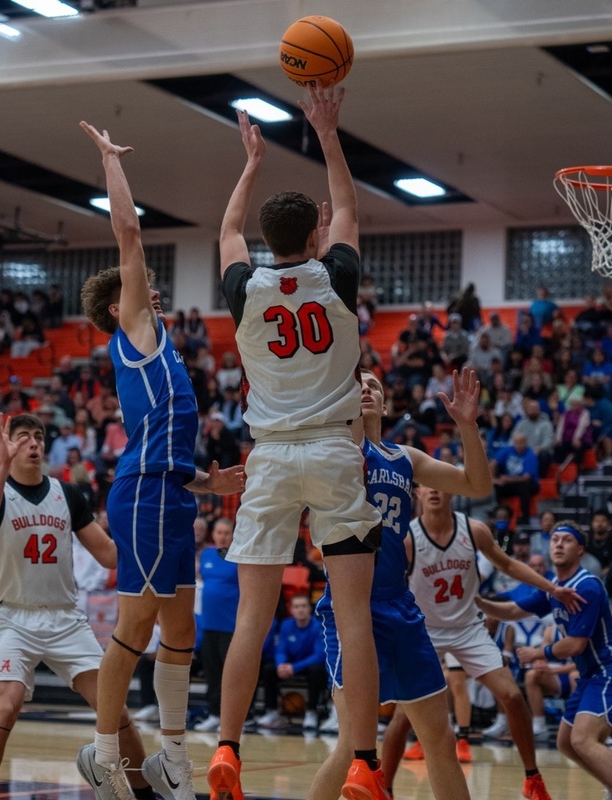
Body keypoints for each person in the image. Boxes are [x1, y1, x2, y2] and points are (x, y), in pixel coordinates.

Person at [208, 85, 384, 800]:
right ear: (313, 237)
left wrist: (249, 163)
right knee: (351, 614)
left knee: (252, 615)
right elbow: (348, 208)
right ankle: (367, 766)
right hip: (335, 453)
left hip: (272, 459)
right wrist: (328, 132)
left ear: (265, 244)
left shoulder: (245, 288)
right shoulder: (336, 276)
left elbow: (226, 231)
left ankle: (225, 749)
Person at [76, 121, 244, 800]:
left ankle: (170, 754)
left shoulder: (166, 352)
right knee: (137, 625)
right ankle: (102, 750)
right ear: (119, 309)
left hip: (170, 491)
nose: (150, 293)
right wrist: (113, 163)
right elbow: (130, 235)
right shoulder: (135, 330)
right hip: (141, 496)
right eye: (137, 290)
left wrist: (210, 482)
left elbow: (173, 449)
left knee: (179, 625)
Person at [308, 367, 491, 800]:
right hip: (351, 609)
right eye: (359, 384)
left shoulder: (405, 457)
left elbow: (476, 484)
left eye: (375, 386)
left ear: (387, 405)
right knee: (353, 744)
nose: (367, 389)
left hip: (401, 609)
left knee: (441, 740)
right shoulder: (337, 451)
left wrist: (467, 426)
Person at [0, 414, 153, 800]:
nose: (33, 443)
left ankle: (147, 795)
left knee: (114, 710)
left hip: (66, 619)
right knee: (5, 708)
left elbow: (109, 557)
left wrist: (146, 531)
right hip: (15, 617)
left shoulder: (67, 494)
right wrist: (1, 464)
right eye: (23, 438)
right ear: (8, 445)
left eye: (38, 437)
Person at [382, 487, 584, 800]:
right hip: (424, 631)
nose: (434, 490)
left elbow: (508, 565)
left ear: (452, 491)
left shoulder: (474, 531)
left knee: (513, 696)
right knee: (403, 715)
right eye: (428, 485)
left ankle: (532, 778)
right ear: (418, 492)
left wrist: (551, 588)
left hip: (468, 628)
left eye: (441, 484)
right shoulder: (408, 538)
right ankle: (385, 789)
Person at [476, 521, 612, 800]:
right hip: (591, 675)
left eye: (566, 540)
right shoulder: (553, 587)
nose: (558, 544)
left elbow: (576, 644)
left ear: (580, 550)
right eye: (554, 540)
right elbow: (515, 610)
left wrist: (537, 653)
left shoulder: (586, 585)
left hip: (611, 671)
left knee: (583, 740)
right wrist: (479, 603)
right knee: (566, 742)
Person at [193, 519, 239, 734]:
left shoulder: (240, 556)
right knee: (212, 673)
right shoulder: (207, 555)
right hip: (209, 624)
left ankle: (234, 717)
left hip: (231, 626)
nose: (222, 536)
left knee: (231, 674)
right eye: (219, 532)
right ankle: (213, 714)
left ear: (233, 534)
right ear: (213, 534)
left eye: (226, 532)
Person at [259, 594, 327, 733]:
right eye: (297, 606)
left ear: (309, 609)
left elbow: (318, 655)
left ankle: (311, 712)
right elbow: (280, 650)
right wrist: (281, 665)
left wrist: (294, 667)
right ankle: (272, 711)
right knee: (269, 669)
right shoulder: (286, 624)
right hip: (291, 664)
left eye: (303, 606)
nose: (300, 610)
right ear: (291, 609)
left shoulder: (317, 626)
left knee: (317, 670)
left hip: (307, 665)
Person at [524, 625, 579, 743]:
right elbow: (542, 655)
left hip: (574, 672)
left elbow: (583, 663)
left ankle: (576, 725)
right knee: (532, 675)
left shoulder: (580, 628)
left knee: (575, 676)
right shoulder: (550, 630)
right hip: (555, 676)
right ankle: (539, 725)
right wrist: (539, 664)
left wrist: (554, 670)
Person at [490, 432, 540, 524]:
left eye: (521, 442)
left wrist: (508, 479)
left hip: (529, 484)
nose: (519, 444)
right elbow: (493, 463)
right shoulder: (507, 450)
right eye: (516, 442)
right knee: (497, 487)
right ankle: (498, 514)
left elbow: (527, 477)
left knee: (524, 487)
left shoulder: (530, 454)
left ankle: (525, 518)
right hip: (510, 483)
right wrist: (494, 480)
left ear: (526, 442)